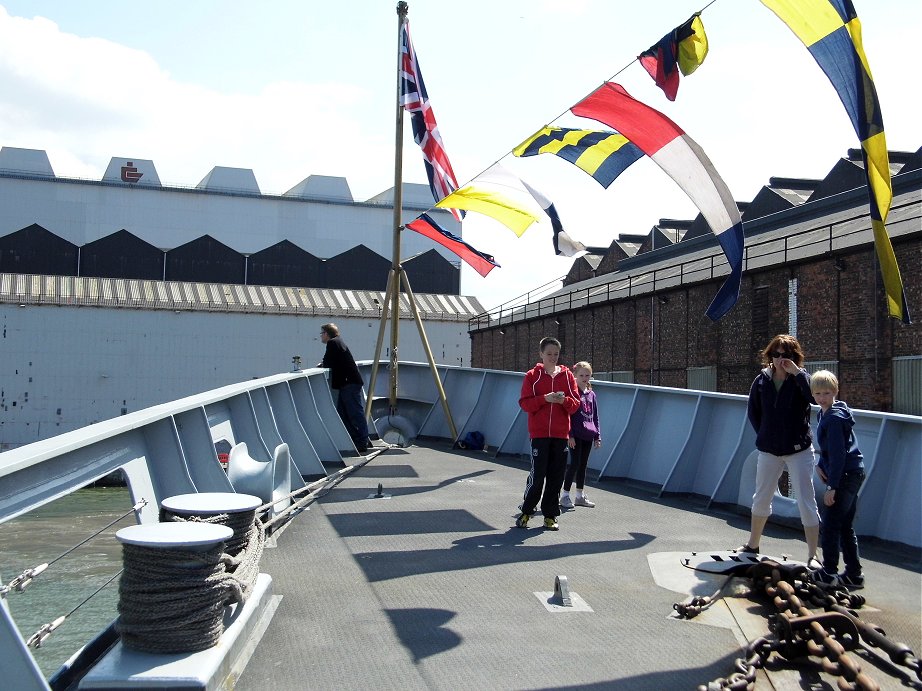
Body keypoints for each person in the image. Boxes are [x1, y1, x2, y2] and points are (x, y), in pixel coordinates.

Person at [741, 334, 820, 564]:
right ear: (770, 356)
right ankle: (753, 544)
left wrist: (798, 373)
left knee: (806, 501)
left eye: (785, 355)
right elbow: (753, 412)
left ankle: (813, 555)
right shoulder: (762, 380)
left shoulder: (800, 379)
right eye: (776, 354)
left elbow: (813, 398)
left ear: (794, 358)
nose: (780, 359)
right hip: (769, 449)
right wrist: (766, 435)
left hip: (799, 450)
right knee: (761, 497)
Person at [515, 337, 580, 531]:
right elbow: (524, 403)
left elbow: (575, 404)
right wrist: (544, 399)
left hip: (560, 435)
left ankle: (550, 516)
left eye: (556, 354)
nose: (552, 357)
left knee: (556, 477)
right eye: (549, 354)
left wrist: (562, 401)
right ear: (541, 354)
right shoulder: (532, 376)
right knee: (538, 476)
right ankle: (527, 511)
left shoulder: (567, 376)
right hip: (539, 434)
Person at [811, 370, 866, 589]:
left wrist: (832, 487)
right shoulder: (825, 414)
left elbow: (838, 454)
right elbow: (830, 452)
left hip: (844, 476)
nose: (822, 398)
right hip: (853, 472)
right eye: (817, 393)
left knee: (831, 525)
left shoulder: (833, 419)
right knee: (845, 526)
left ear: (835, 392)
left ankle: (829, 572)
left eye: (826, 393)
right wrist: (820, 465)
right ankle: (854, 574)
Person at [319, 323, 370, 452]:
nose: (321, 336)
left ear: (326, 333)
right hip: (348, 383)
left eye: (322, 333)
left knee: (354, 413)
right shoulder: (338, 342)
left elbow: (328, 362)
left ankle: (362, 440)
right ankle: (358, 439)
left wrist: (321, 365)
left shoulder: (332, 343)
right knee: (343, 413)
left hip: (348, 383)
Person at [561, 361, 601, 510]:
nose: (585, 378)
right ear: (575, 376)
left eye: (587, 375)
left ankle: (579, 495)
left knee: (583, 465)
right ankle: (565, 495)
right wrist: (569, 435)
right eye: (582, 375)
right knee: (575, 464)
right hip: (576, 435)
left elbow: (595, 416)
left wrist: (597, 436)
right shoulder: (573, 393)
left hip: (588, 434)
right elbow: (568, 415)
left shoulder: (592, 395)